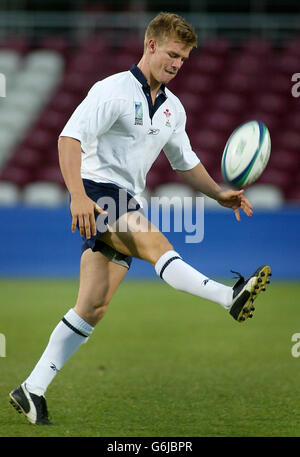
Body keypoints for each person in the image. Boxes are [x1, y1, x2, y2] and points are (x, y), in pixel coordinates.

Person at [9, 12, 271, 425]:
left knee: (92, 307)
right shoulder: (112, 90)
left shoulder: (173, 109)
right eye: (171, 54)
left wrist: (219, 193)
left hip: (127, 198)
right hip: (97, 193)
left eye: (183, 59)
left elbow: (186, 163)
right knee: (157, 245)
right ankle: (228, 297)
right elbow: (68, 138)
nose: (176, 64)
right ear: (150, 45)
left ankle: (31, 388)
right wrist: (77, 195)